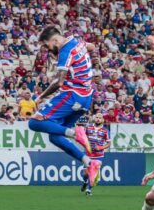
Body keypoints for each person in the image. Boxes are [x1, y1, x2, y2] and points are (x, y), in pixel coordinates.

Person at [28, 26, 95, 173]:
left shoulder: (65, 50)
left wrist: (40, 97)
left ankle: (76, 134)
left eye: (47, 45)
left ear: (55, 40)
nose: (47, 49)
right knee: (55, 136)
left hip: (72, 94)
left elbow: (59, 82)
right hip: (86, 98)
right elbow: (92, 46)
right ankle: (88, 162)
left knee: (34, 122)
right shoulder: (77, 42)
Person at [81, 113, 110, 196]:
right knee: (86, 173)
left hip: (98, 155)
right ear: (94, 118)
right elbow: (82, 137)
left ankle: (89, 190)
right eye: (96, 117)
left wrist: (100, 148)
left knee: (93, 172)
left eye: (100, 118)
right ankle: (84, 182)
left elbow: (108, 143)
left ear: (102, 120)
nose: (98, 119)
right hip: (88, 154)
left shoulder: (105, 131)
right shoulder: (88, 127)